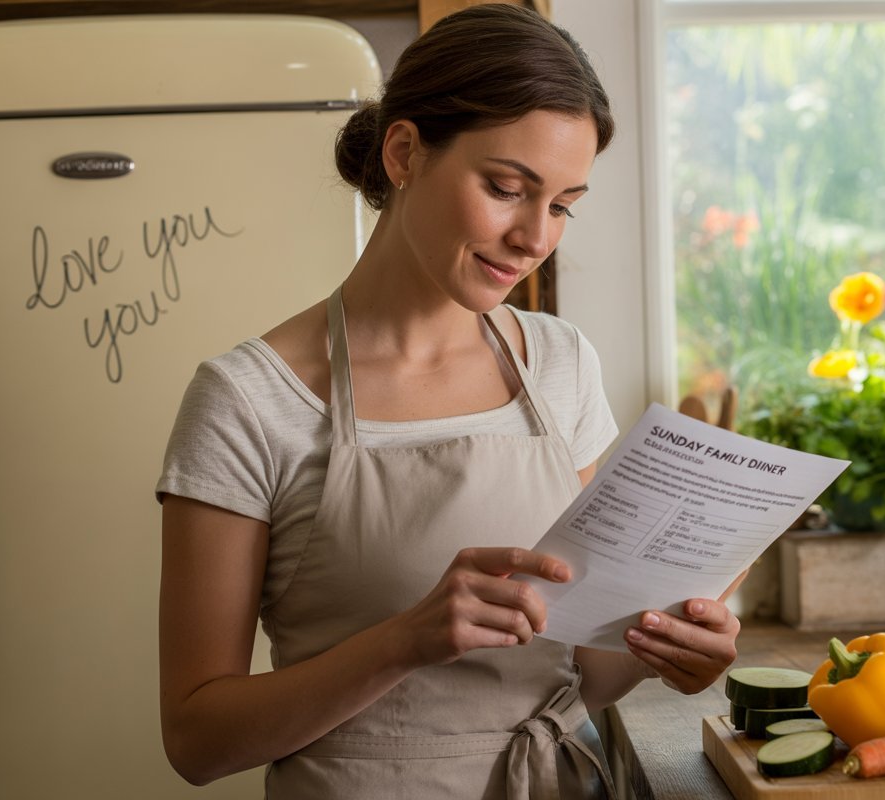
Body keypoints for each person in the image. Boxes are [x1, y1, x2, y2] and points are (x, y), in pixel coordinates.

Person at [155, 5, 741, 798]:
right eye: (507, 188)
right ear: (404, 152)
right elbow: (197, 739)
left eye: (563, 205)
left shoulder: (559, 365)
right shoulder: (249, 402)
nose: (535, 236)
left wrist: (663, 650)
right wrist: (403, 641)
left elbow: (578, 678)